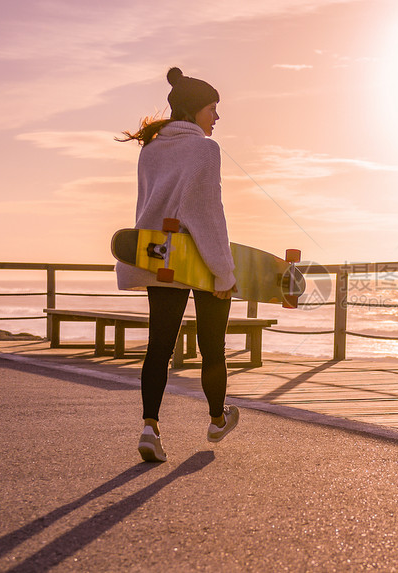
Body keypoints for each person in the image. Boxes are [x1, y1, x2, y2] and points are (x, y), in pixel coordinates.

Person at [117, 67, 238, 463]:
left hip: (157, 259)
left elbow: (148, 208)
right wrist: (223, 270)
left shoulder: (151, 150)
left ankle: (149, 426)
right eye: (212, 109)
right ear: (194, 110)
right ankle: (217, 419)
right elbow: (204, 213)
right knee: (212, 347)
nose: (217, 118)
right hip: (198, 259)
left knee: (159, 347)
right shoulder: (205, 150)